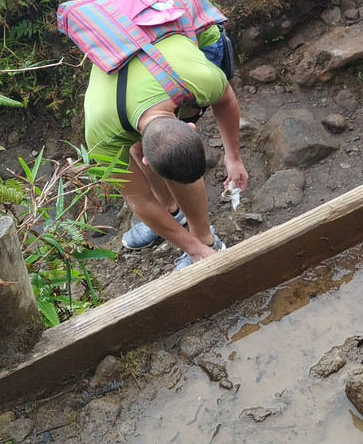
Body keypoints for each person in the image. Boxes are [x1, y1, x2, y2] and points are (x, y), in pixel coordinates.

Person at [83, 24, 249, 271]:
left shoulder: (202, 78)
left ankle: (206, 239)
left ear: (190, 125)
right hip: (130, 67)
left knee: (176, 158)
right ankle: (173, 213)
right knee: (138, 148)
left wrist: (233, 158)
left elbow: (226, 99)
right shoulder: (102, 136)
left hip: (193, 42)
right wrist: (192, 250)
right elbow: (138, 199)